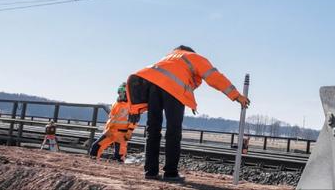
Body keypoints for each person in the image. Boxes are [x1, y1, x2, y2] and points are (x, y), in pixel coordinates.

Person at [125, 45, 250, 182]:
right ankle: (170, 173)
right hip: (174, 90)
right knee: (173, 131)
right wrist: (236, 95)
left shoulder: (169, 57)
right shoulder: (194, 57)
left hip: (153, 87)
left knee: (153, 130)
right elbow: (214, 77)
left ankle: (150, 171)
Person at [88, 83, 136, 162]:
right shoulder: (116, 104)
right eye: (119, 91)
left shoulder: (132, 106)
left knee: (119, 156)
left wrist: (129, 132)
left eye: (123, 91)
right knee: (95, 147)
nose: (120, 93)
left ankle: (119, 172)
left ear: (128, 93)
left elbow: (134, 120)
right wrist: (107, 129)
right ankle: (92, 166)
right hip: (110, 131)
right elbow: (111, 119)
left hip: (122, 134)